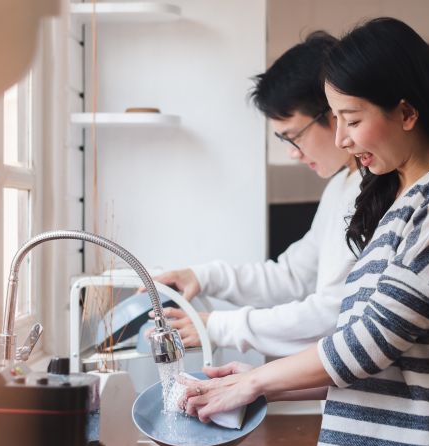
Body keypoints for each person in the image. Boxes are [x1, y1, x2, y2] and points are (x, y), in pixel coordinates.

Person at [181, 17, 429, 446]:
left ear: (406, 112)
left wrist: (257, 379)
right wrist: (266, 385)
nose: (341, 139)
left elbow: (373, 341)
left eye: (352, 120)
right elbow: (386, 362)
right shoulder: (394, 198)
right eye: (335, 120)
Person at [152, 31, 361, 357]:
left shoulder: (376, 192)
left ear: (335, 113)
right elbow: (292, 277)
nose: (293, 152)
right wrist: (204, 276)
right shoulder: (341, 186)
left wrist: (219, 326)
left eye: (295, 136)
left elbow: (332, 314)